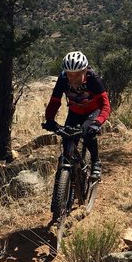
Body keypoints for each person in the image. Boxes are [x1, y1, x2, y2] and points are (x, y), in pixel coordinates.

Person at [43, 51, 110, 180]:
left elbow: (105, 104)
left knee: (88, 134)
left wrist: (98, 122)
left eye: (77, 75)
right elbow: (54, 102)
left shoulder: (93, 79)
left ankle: (96, 161)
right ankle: (68, 179)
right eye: (70, 75)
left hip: (92, 112)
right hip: (75, 112)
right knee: (67, 139)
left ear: (85, 71)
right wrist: (50, 120)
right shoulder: (63, 79)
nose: (73, 79)